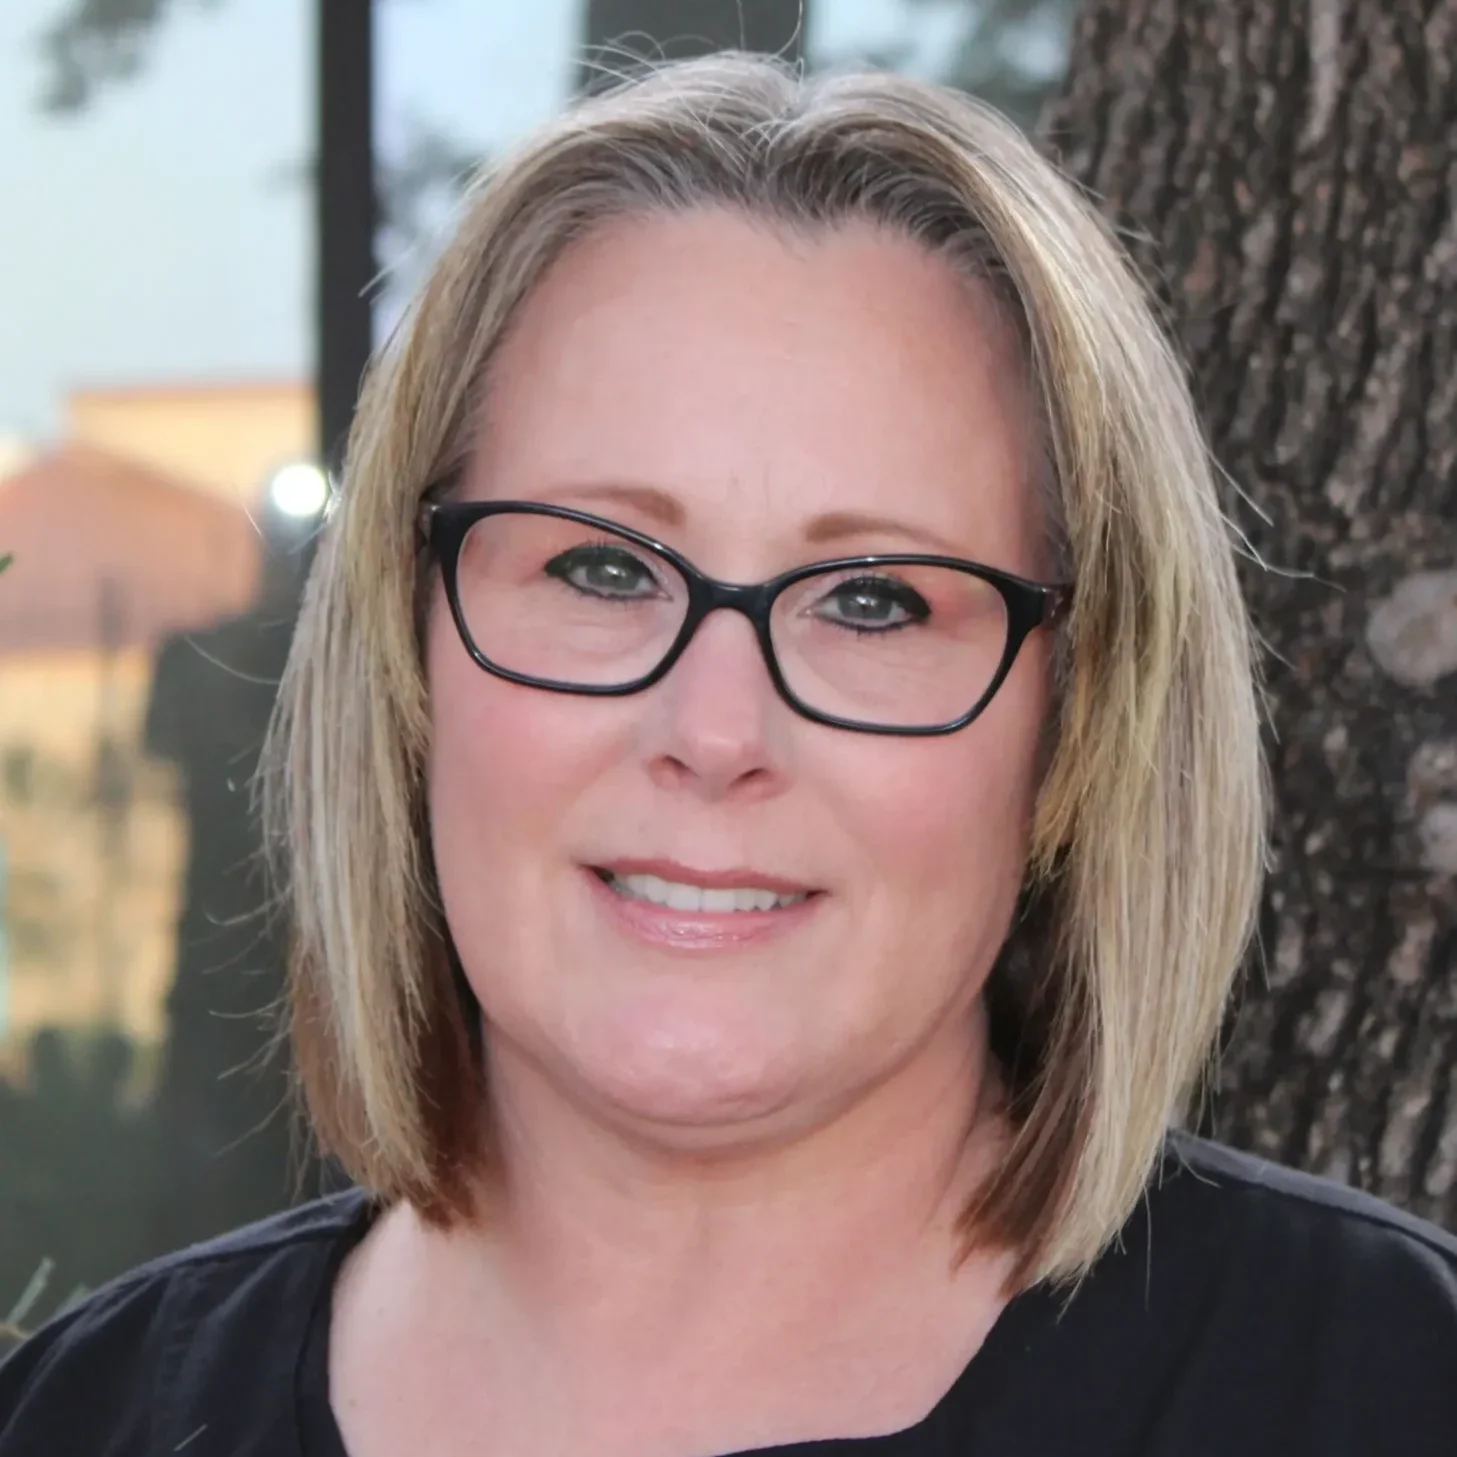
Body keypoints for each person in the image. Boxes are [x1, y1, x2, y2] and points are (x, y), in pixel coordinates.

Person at [1, 52, 1454, 1457]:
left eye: (873, 602)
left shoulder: (1386, 1394)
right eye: (602, 570)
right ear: (407, 643)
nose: (713, 734)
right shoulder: (79, 1422)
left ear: (1078, 718)